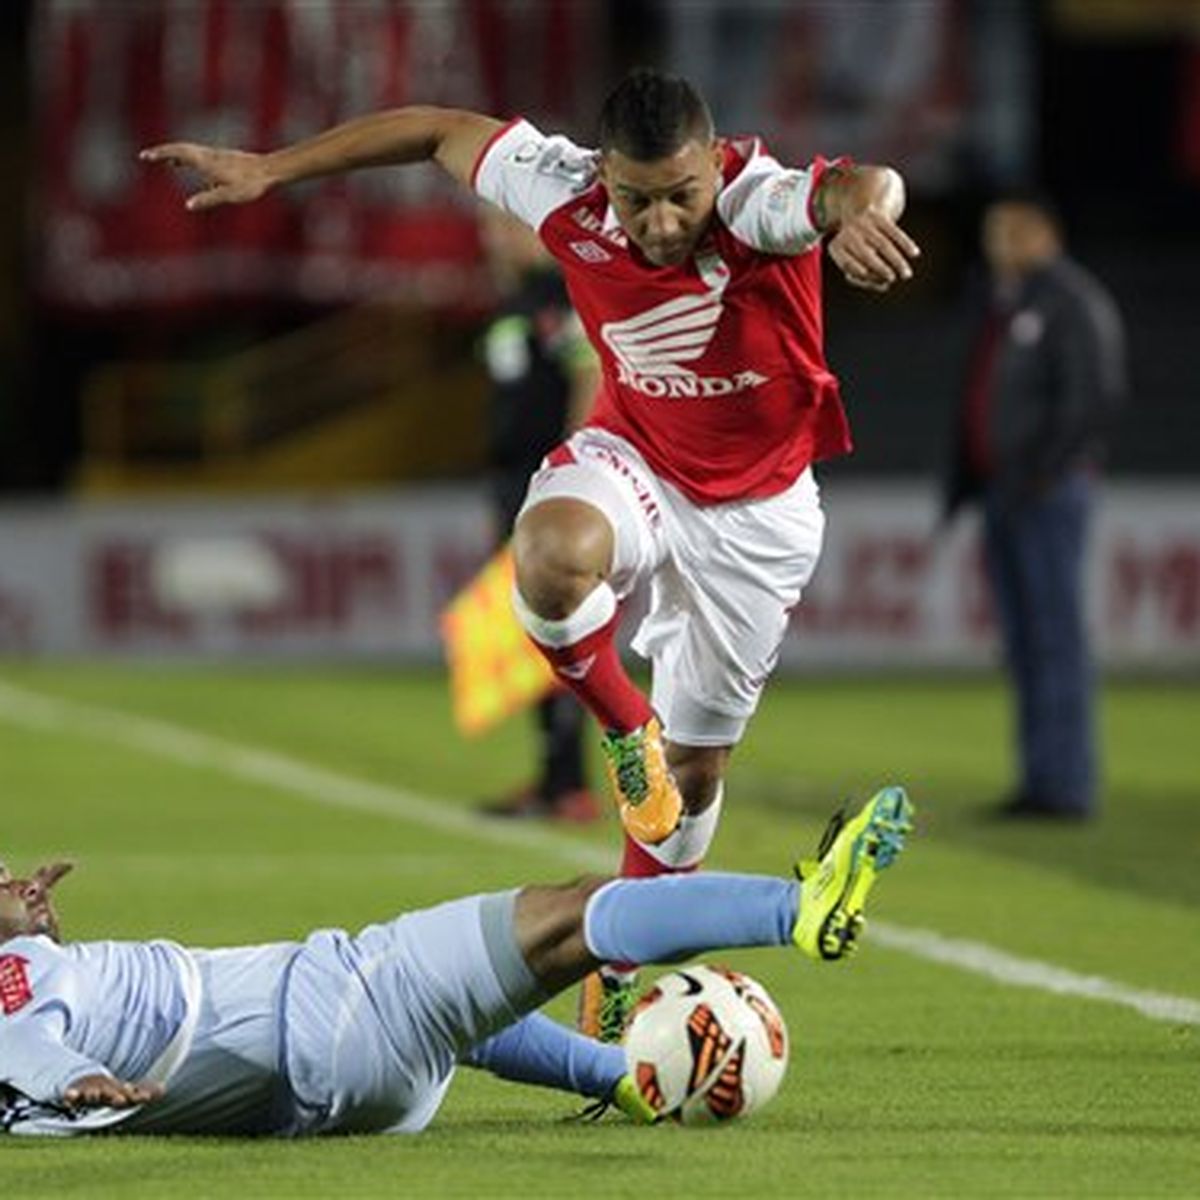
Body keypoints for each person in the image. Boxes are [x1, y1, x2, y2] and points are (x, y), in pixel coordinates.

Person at [140, 67, 921, 1038]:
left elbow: (862, 185)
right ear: (604, 176)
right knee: (548, 553)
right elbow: (433, 129)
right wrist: (272, 168)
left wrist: (858, 217)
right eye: (637, 200)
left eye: (683, 194)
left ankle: (620, 977)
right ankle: (624, 731)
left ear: (712, 165)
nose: (664, 222)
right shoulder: (563, 188)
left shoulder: (757, 200)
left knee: (697, 785)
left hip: (759, 518)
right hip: (634, 460)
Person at [0, 787, 913, 1136]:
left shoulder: (42, 970)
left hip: (354, 1093)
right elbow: (23, 1043)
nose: (23, 882)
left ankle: (624, 1077)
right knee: (571, 917)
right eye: (1, 883)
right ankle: (801, 906)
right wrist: (76, 1075)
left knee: (461, 1017)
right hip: (330, 1010)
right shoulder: (17, 987)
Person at [943, 194, 1126, 821]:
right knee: (1024, 642)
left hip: (1046, 494)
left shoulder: (1071, 302)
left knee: (1055, 638)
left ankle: (1068, 786)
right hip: (1006, 492)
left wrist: (1044, 475)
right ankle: (1041, 780)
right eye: (994, 232)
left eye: (1014, 231)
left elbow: (1094, 397)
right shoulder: (1003, 304)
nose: (1000, 244)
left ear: (1047, 234)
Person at [477, 208, 601, 823]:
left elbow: (590, 372)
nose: (492, 239)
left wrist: (570, 473)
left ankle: (571, 784)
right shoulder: (519, 300)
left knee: (561, 630)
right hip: (510, 483)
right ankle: (553, 778)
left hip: (544, 487)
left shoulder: (560, 294)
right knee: (532, 636)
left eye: (504, 227)